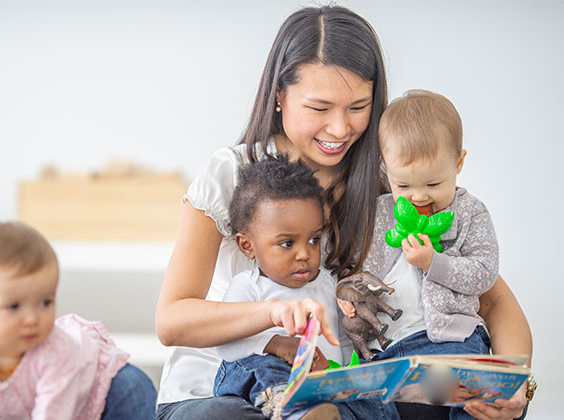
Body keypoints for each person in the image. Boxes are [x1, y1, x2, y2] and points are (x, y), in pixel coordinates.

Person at [155, 5, 532, 420]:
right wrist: (274, 315)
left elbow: (493, 299)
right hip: (219, 385)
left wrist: (517, 386)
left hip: (336, 386)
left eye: (357, 107)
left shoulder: (395, 188)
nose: (339, 129)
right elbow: (172, 319)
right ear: (279, 95)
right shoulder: (233, 173)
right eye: (319, 108)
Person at [344, 89, 496, 419]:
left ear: (458, 162)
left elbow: (485, 272)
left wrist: (433, 263)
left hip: (451, 340)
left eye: (432, 184)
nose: (417, 197)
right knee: (364, 402)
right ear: (386, 171)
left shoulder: (470, 212)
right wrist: (350, 298)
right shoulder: (379, 214)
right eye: (403, 186)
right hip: (389, 349)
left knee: (471, 392)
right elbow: (359, 272)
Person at [0, 221, 157, 419]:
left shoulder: (56, 351)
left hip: (99, 388)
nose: (31, 319)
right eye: (13, 306)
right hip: (29, 408)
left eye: (45, 303)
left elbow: (51, 413)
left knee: (133, 388)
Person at [212, 156, 341, 420]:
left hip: (318, 382)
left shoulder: (327, 283)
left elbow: (340, 339)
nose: (305, 253)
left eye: (314, 239)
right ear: (248, 246)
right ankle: (293, 410)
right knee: (262, 367)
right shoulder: (248, 286)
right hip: (258, 381)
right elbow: (225, 345)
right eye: (287, 244)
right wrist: (277, 344)